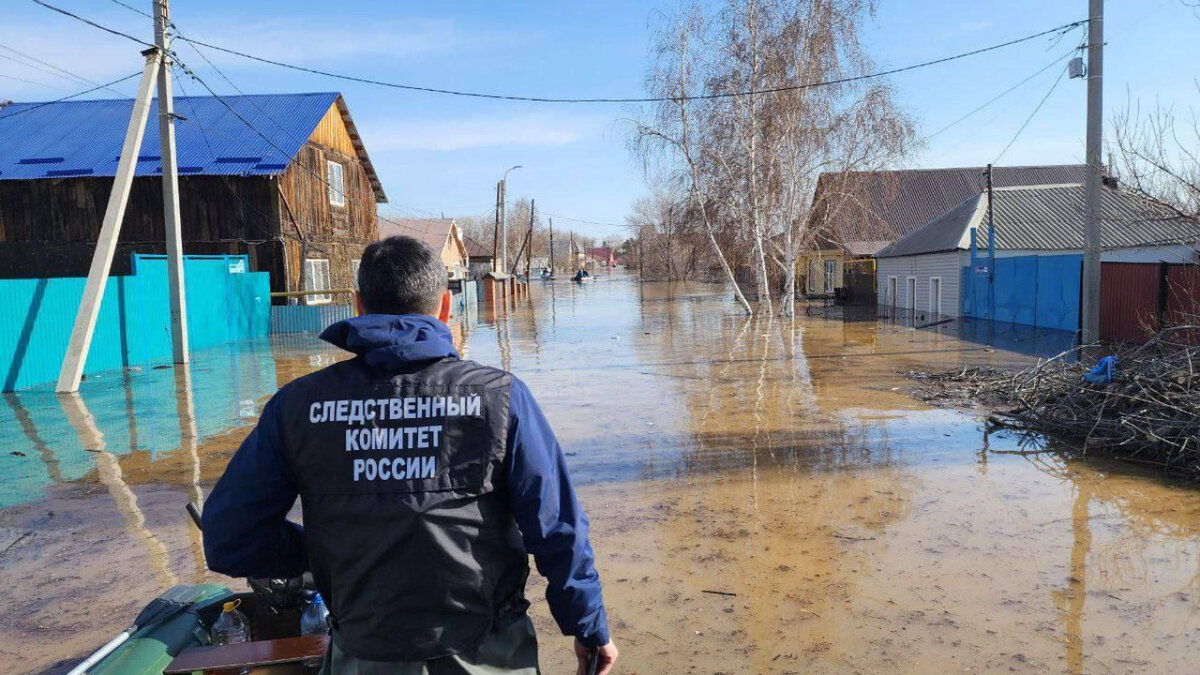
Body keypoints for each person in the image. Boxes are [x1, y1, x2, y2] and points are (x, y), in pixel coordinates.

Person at [202, 235, 618, 675]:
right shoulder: (500, 399)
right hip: (487, 652)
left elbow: (230, 537)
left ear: (358, 305)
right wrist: (588, 627)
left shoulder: (298, 406)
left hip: (363, 654)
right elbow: (557, 529)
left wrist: (319, 552)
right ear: (445, 306)